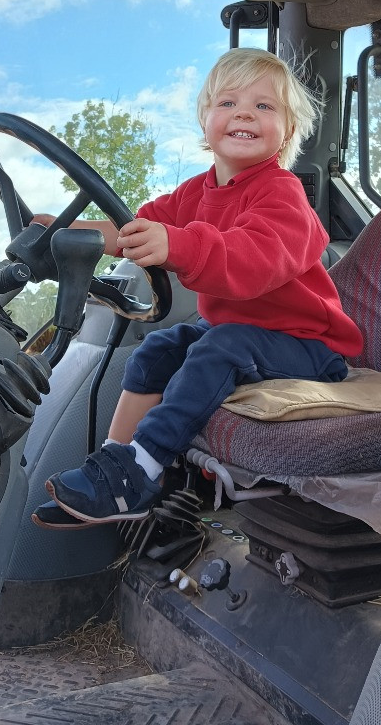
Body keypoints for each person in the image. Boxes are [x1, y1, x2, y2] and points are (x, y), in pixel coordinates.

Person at [33, 47, 363, 530]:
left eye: (264, 106)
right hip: (243, 337)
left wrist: (179, 245)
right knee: (158, 348)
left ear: (287, 131)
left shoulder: (283, 195)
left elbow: (254, 261)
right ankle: (116, 468)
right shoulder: (194, 192)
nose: (244, 113)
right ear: (205, 121)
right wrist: (68, 233)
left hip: (310, 347)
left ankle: (143, 470)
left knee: (221, 344)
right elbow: (134, 229)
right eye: (227, 103)